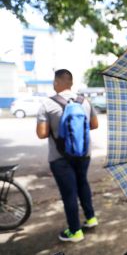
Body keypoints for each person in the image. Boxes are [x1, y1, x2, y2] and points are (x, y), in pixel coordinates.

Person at [36, 69, 99, 242]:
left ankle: (75, 231)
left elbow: (42, 134)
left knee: (69, 193)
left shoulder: (47, 104)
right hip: (83, 153)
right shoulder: (84, 101)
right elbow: (94, 124)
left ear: (56, 83)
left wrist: (58, 129)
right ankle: (91, 218)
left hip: (60, 157)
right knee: (82, 184)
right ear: (71, 83)